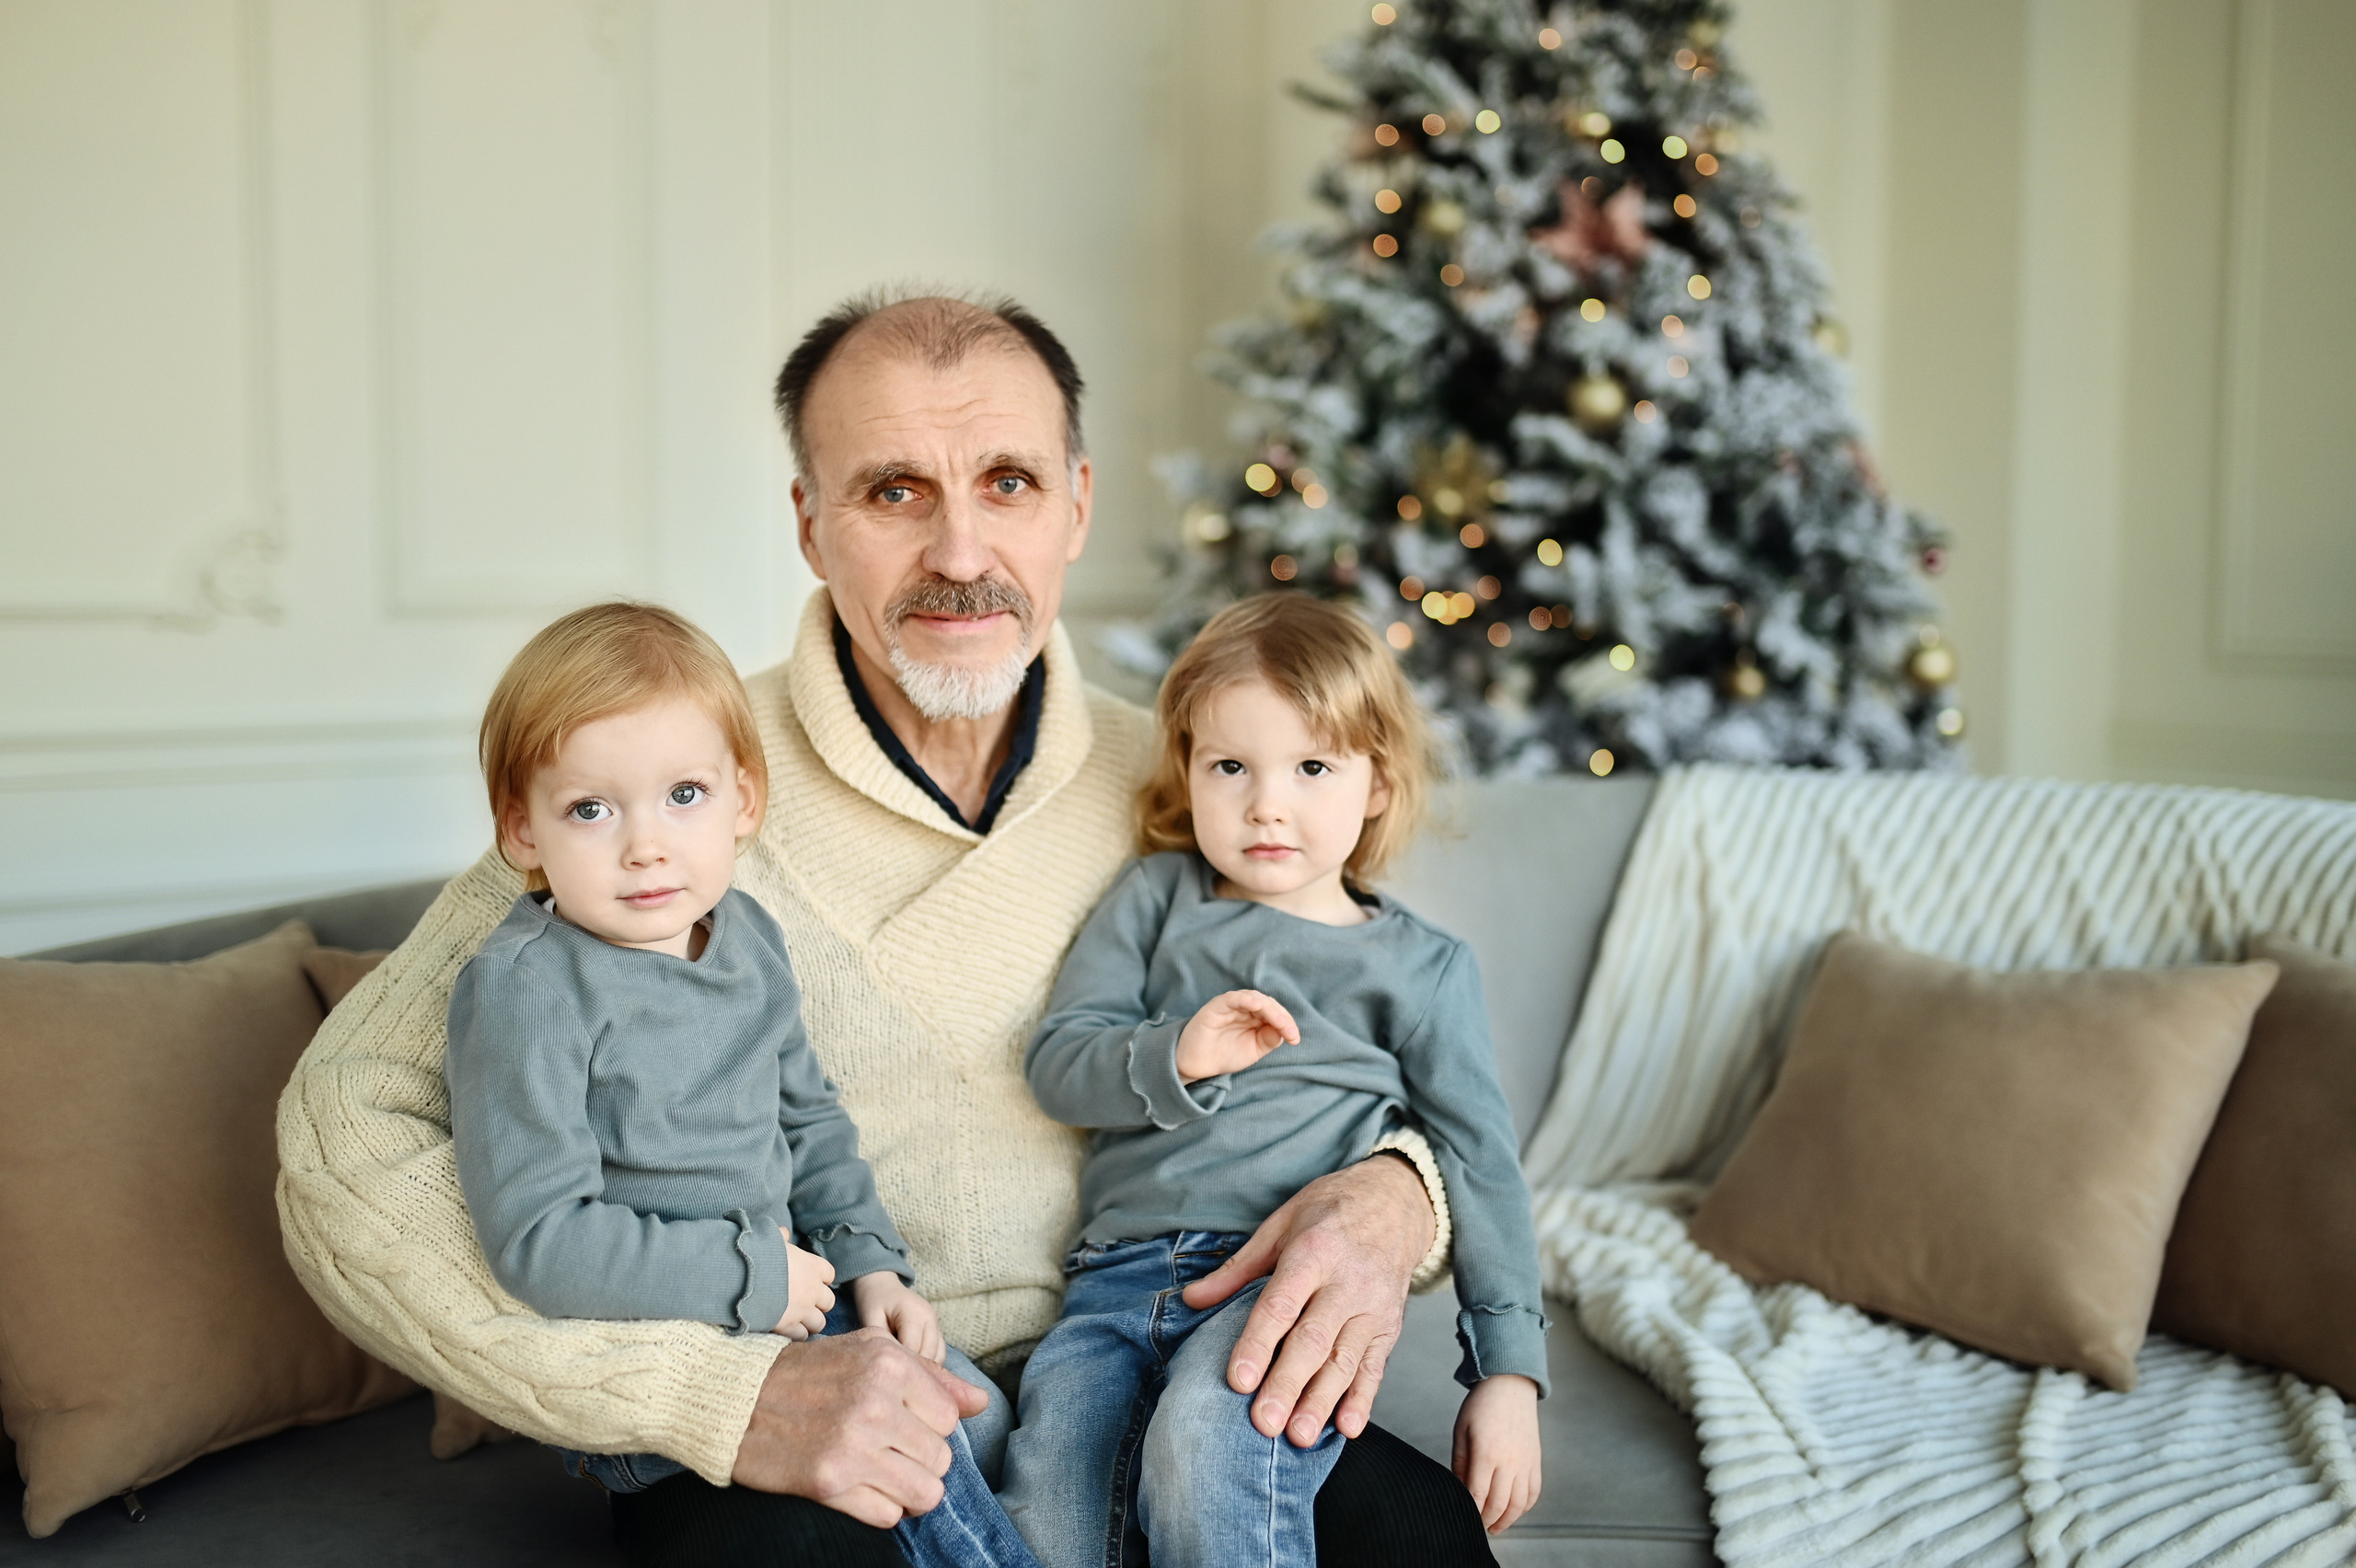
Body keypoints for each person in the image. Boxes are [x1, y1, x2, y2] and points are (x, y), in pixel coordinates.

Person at [277, 290, 1501, 1566]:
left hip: (1160, 1343)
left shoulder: (1200, 781)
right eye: (895, 492)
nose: (962, 551)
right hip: (818, 1379)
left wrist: (1399, 1198)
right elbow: (340, 1139)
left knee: (1421, 1538)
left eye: (1010, 483)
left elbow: (1400, 1040)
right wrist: (710, 1398)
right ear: (810, 524)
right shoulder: (661, 778)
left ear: (1077, 505)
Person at [442, 601, 1034, 1568]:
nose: (646, 846)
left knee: (981, 1415)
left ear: (743, 803)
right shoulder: (524, 992)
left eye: (684, 795)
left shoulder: (746, 935)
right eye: (591, 809)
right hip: (668, 1372)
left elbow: (807, 1119)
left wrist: (870, 1264)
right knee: (917, 1452)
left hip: (802, 1303)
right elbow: (540, 1240)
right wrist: (753, 1278)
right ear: (522, 829)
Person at [999, 594, 1546, 1567]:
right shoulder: (1155, 899)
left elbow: (1481, 1166)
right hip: (1110, 1288)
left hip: (1283, 1288)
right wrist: (1177, 1054)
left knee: (1210, 1451)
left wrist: (1507, 1377)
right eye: (1229, 767)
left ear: (1376, 781)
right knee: (1047, 1514)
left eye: (1311, 768)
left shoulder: (1422, 969)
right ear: (1188, 770)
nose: (1266, 805)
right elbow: (1057, 1064)